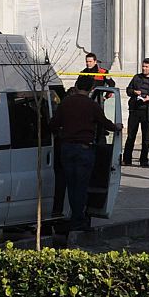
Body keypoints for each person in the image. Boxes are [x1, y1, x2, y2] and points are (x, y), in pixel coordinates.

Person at [49, 76, 117, 233]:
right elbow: (105, 123)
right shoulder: (91, 105)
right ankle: (78, 220)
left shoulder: (65, 103)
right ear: (91, 88)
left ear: (76, 85)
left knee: (71, 185)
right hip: (83, 150)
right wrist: (116, 126)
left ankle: (72, 216)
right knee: (81, 186)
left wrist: (60, 133)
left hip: (66, 149)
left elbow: (53, 123)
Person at [122, 58, 149, 167]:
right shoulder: (136, 78)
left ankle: (143, 160)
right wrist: (134, 92)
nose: (144, 69)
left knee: (146, 138)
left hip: (147, 112)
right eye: (143, 66)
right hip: (135, 110)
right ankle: (127, 159)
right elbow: (128, 90)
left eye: (146, 67)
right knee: (131, 136)